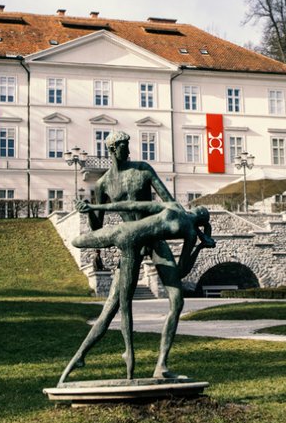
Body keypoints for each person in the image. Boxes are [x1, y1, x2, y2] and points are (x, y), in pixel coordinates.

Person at [59, 131, 197, 384]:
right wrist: (88, 210)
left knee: (176, 300)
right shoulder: (103, 185)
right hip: (129, 244)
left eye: (128, 145)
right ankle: (78, 358)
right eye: (124, 146)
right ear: (113, 149)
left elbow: (169, 203)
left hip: (153, 237)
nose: (129, 150)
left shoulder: (143, 170)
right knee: (110, 309)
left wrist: (188, 225)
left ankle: (162, 365)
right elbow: (97, 228)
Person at [59, 200, 214, 384]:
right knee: (122, 309)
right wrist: (200, 246)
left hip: (122, 231)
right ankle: (124, 356)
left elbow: (134, 205)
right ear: (202, 222)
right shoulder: (189, 230)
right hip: (130, 244)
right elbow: (181, 271)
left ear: (196, 212)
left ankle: (82, 359)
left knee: (114, 306)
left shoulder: (173, 207)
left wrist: (95, 207)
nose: (200, 210)